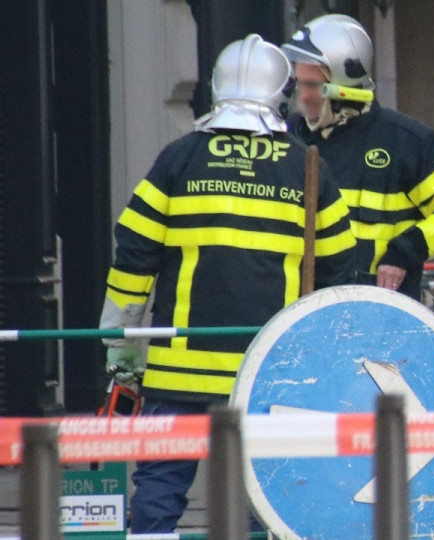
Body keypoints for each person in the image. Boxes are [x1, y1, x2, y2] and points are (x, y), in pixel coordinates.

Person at [99, 35, 356, 533]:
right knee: (271, 494)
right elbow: (340, 267)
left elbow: (133, 255)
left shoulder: (178, 159)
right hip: (267, 369)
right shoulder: (305, 166)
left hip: (179, 369)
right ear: (278, 92)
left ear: (216, 89)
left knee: (159, 489)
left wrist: (121, 343)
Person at [281, 14, 434, 299]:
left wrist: (404, 252)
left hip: (379, 310)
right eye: (299, 84)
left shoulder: (408, 141)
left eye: (312, 86)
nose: (303, 96)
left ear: (342, 87)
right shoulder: (288, 138)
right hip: (303, 307)